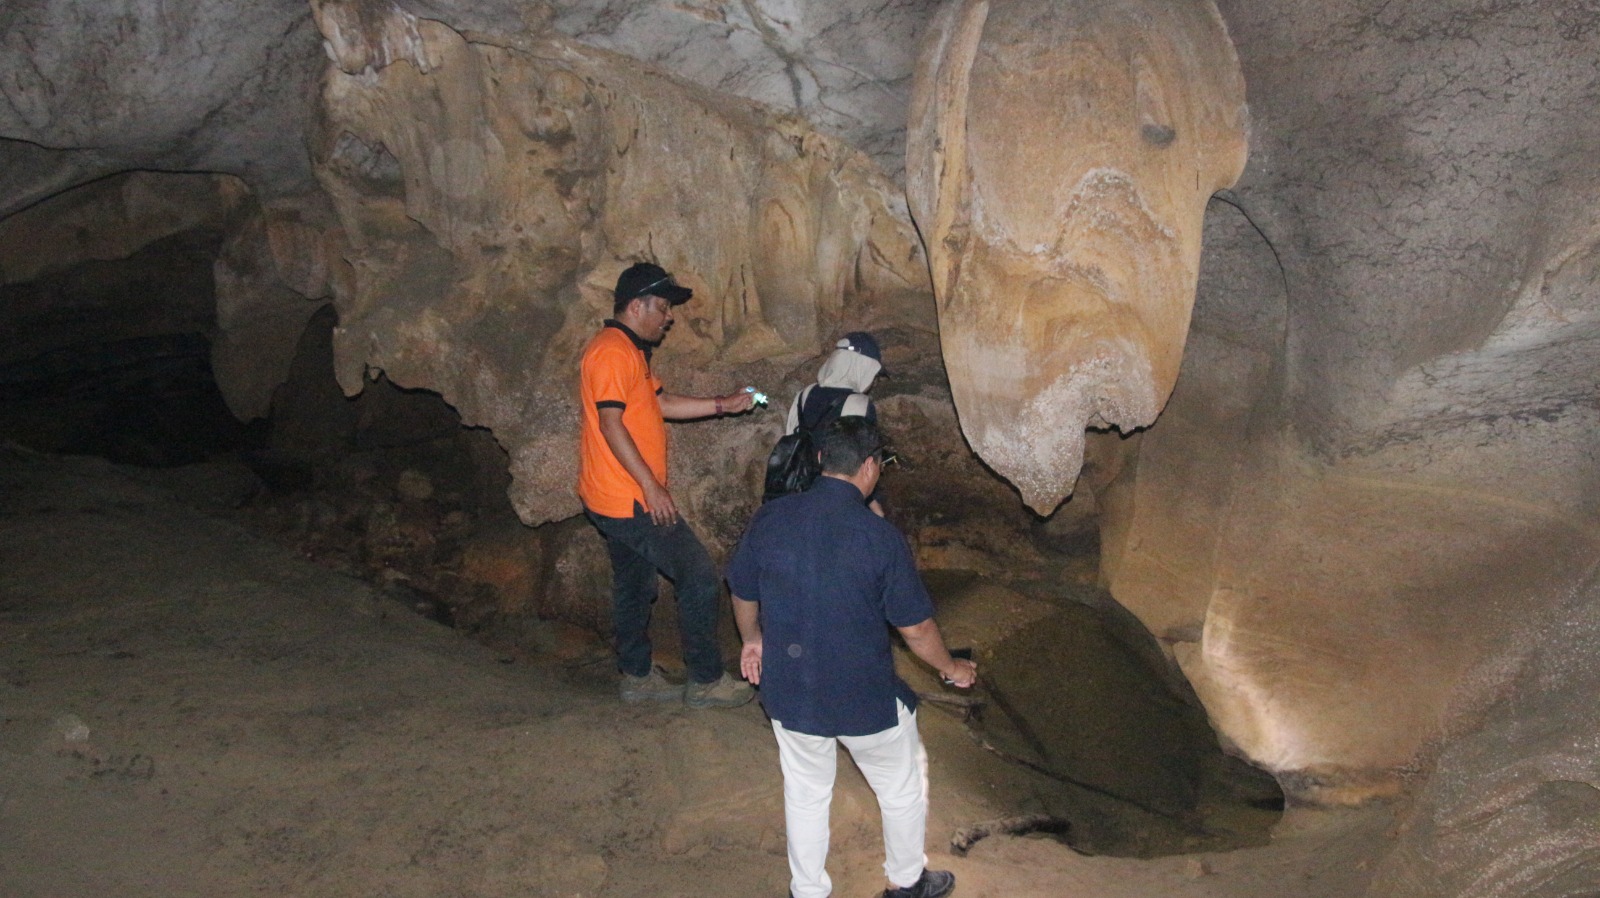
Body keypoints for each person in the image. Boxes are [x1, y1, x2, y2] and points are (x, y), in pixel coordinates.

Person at [728, 418, 977, 898]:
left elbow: (742, 588)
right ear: (869, 467)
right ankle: (906, 883)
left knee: (805, 791)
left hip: (792, 693)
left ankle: (808, 890)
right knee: (901, 787)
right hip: (863, 699)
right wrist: (952, 669)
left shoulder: (772, 517)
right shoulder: (879, 536)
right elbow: (917, 629)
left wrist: (752, 639)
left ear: (821, 460)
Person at [578, 260, 756, 709]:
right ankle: (706, 680)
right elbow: (610, 423)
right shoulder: (611, 352)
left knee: (634, 585)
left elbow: (661, 404)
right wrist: (651, 487)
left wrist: (723, 405)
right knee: (698, 575)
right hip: (629, 498)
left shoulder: (629, 352)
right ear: (636, 306)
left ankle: (636, 676)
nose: (669, 317)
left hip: (616, 495)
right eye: (662, 307)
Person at [784, 331, 887, 515]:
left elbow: (790, 440)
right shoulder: (859, 404)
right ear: (862, 366)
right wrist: (875, 506)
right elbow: (861, 460)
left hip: (800, 495)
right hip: (839, 500)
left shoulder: (803, 395)